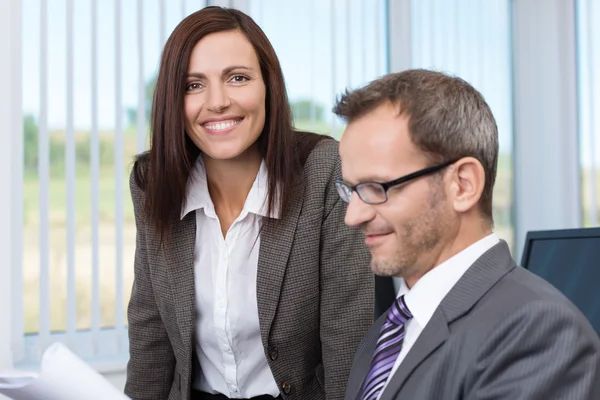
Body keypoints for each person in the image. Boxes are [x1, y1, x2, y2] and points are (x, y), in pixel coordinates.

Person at [124, 6, 374, 400]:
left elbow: (347, 340)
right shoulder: (152, 182)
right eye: (193, 85)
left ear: (268, 86)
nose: (218, 102)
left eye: (237, 78)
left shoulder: (326, 171)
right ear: (175, 100)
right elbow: (150, 332)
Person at [334, 69, 600, 400]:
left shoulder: (538, 332)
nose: (352, 216)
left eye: (376, 187)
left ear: (463, 185)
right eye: (350, 190)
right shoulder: (387, 330)